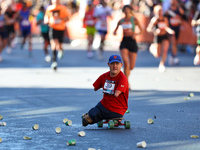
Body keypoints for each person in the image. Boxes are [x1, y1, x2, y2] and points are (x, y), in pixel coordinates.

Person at [82, 54, 129, 127]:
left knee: (89, 117)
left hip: (116, 109)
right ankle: (93, 117)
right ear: (108, 64)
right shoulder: (104, 76)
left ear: (121, 65)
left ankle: (92, 117)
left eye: (117, 64)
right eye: (112, 64)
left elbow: (117, 94)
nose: (115, 66)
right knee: (88, 118)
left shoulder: (122, 78)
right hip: (107, 107)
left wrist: (108, 85)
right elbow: (95, 87)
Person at [113, 5, 143, 89]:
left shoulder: (134, 20)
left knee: (131, 66)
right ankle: (126, 82)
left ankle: (125, 79)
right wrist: (114, 32)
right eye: (124, 10)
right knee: (126, 62)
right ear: (123, 11)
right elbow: (115, 30)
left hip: (132, 42)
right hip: (124, 42)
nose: (126, 11)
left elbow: (141, 30)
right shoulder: (121, 21)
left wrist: (135, 34)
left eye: (127, 10)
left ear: (130, 10)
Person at [147, 5, 175, 72]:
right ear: (156, 12)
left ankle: (162, 65)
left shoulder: (165, 19)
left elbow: (166, 27)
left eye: (161, 11)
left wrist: (170, 31)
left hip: (164, 36)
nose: (160, 12)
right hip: (158, 37)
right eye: (158, 11)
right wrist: (155, 31)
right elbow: (148, 29)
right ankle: (151, 48)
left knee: (165, 50)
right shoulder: (155, 20)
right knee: (157, 54)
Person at [44, 0, 70, 70]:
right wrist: (46, 21)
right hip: (52, 28)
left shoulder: (63, 8)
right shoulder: (49, 8)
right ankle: (54, 61)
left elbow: (68, 18)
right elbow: (46, 17)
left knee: (59, 45)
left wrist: (60, 18)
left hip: (61, 28)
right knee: (54, 43)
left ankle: (61, 50)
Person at [164, 0, 184, 66]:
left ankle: (171, 55)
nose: (173, 2)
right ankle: (175, 57)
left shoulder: (179, 10)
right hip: (170, 29)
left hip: (177, 29)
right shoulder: (168, 11)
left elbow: (184, 18)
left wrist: (181, 16)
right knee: (173, 42)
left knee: (175, 43)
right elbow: (164, 19)